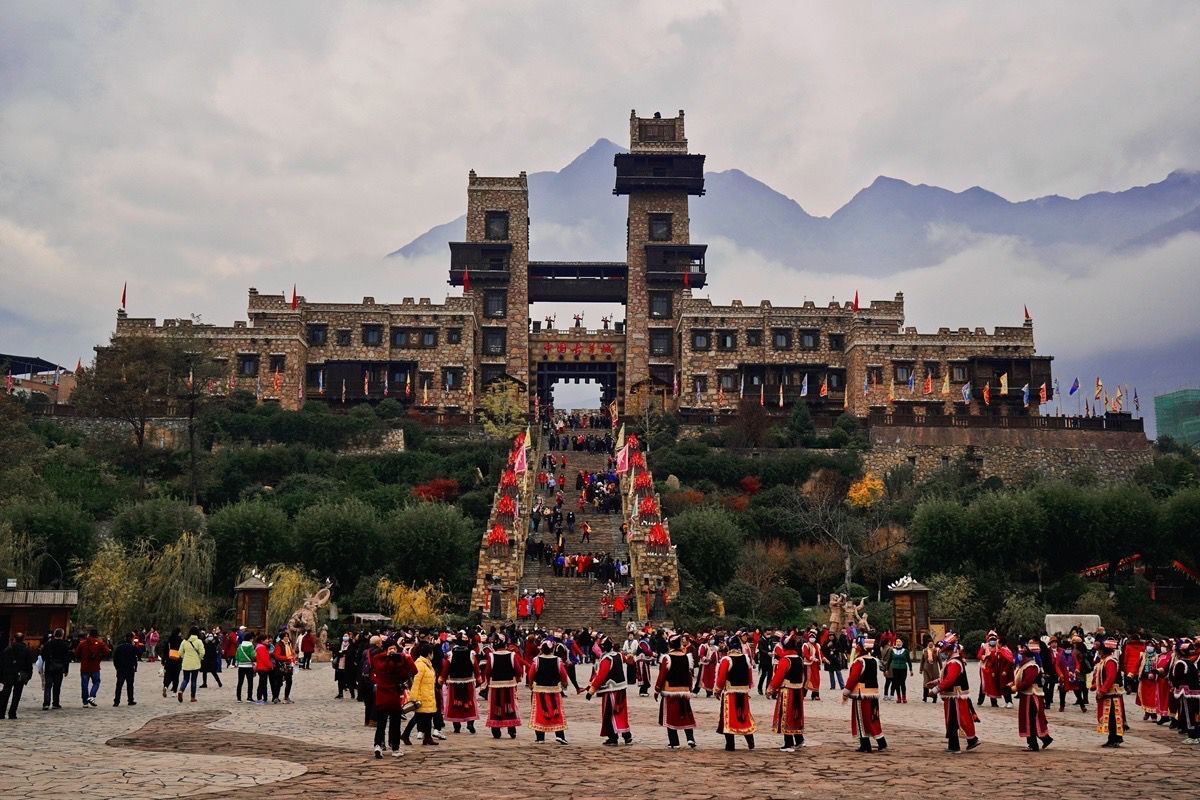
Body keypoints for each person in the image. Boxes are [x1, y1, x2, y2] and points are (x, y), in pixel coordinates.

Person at [931, 633, 979, 753]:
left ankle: (955, 746)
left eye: (945, 651)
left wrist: (936, 689)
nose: (944, 653)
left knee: (953, 719)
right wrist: (936, 682)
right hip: (955, 695)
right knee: (961, 718)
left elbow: (950, 680)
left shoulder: (954, 663)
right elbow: (947, 677)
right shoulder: (954, 661)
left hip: (954, 696)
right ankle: (970, 739)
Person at [371, 636, 417, 758]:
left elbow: (412, 670)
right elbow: (411, 670)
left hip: (388, 695)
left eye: (394, 648)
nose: (393, 651)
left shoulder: (392, 659)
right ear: (385, 649)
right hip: (389, 695)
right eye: (391, 648)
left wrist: (401, 658)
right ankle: (387, 747)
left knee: (390, 723)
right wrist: (398, 659)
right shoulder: (385, 659)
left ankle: (384, 746)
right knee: (386, 723)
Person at [585, 634, 633, 746]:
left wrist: (591, 691)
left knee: (609, 713)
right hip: (621, 688)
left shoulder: (607, 659)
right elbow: (628, 660)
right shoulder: (619, 655)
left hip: (611, 690)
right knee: (621, 712)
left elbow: (601, 676)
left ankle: (613, 737)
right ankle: (627, 735)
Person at [842, 637, 887, 753]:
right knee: (873, 718)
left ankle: (865, 744)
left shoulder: (859, 661)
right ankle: (881, 741)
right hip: (873, 692)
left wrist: (846, 692)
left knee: (861, 719)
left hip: (861, 694)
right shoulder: (874, 660)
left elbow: (853, 678)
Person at [653, 634, 697, 749]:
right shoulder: (686, 657)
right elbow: (689, 675)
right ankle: (690, 738)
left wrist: (657, 689)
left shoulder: (666, 658)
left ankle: (674, 742)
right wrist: (690, 688)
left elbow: (662, 675)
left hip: (670, 691)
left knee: (671, 716)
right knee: (686, 714)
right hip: (684, 690)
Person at [715, 635, 756, 751]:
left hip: (730, 693)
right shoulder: (746, 658)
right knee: (744, 716)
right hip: (743, 693)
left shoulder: (726, 660)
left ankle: (730, 745)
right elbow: (749, 676)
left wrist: (717, 690)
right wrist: (747, 687)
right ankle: (750, 741)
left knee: (729, 718)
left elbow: (721, 678)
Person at [766, 633, 806, 751]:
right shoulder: (799, 658)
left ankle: (788, 743)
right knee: (796, 715)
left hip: (787, 690)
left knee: (786, 715)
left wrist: (771, 689)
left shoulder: (785, 660)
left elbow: (778, 677)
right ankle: (799, 739)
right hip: (798, 690)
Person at [1013, 639, 1053, 751]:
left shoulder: (1031, 666)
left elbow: (1028, 681)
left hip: (1031, 695)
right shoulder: (1027, 665)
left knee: (1030, 719)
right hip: (1028, 695)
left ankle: (1033, 744)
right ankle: (1045, 738)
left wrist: (1017, 687)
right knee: (1033, 718)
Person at [528, 640, 570, 744]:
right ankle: (560, 735)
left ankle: (540, 737)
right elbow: (563, 674)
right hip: (554, 690)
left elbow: (531, 674)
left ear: (541, 649)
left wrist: (530, 684)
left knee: (540, 712)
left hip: (539, 690)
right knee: (556, 712)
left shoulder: (536, 661)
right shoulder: (557, 661)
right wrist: (565, 683)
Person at [483, 634, 523, 739]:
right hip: (509, 684)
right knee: (510, 705)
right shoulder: (512, 655)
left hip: (495, 685)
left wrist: (487, 682)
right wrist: (518, 678)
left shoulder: (492, 656)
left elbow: (487, 672)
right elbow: (518, 670)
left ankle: (496, 729)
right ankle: (511, 729)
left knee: (496, 705)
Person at [439, 632, 479, 733]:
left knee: (454, 704)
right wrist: (479, 678)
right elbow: (476, 668)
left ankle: (457, 726)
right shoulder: (471, 653)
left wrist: (441, 679)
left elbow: (446, 668)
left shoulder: (450, 654)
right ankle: (470, 723)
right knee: (469, 703)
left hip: (454, 683)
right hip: (468, 681)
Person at [1093, 637, 1128, 747]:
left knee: (1113, 717)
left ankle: (1116, 738)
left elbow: (1110, 677)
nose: (1098, 652)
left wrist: (1103, 690)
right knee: (1110, 716)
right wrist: (1095, 686)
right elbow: (1102, 677)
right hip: (1107, 693)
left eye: (1100, 650)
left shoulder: (1110, 661)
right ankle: (1112, 738)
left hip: (1112, 693)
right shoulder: (1104, 661)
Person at [0, 632, 34, 719]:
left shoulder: (8, 649)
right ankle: (12, 713)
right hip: (20, 675)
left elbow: (2, 664)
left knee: (5, 695)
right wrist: (29, 675)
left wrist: (1, 677)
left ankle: (1, 712)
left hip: (8, 675)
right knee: (17, 695)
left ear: (14, 639)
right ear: (23, 639)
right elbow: (29, 665)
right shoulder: (26, 650)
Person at [1172, 640, 1200, 743]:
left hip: (1186, 692)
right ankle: (1196, 734)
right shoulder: (1190, 663)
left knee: (1189, 713)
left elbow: (1177, 678)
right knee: (1195, 713)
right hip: (1195, 692)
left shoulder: (1181, 663)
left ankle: (1192, 735)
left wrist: (1175, 686)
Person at [977, 631, 1014, 708]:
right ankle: (980, 701)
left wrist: (1004, 670)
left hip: (997, 669)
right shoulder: (984, 646)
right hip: (985, 668)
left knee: (995, 685)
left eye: (994, 639)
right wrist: (986, 656)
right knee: (984, 685)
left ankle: (996, 702)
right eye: (991, 638)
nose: (993, 640)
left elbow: (1007, 660)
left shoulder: (1001, 648)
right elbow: (979, 655)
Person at [75, 628, 109, 708]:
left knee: (84, 684)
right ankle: (92, 696)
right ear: (97, 635)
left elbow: (77, 653)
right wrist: (100, 657)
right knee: (96, 682)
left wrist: (82, 659)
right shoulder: (100, 643)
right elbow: (107, 652)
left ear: (89, 634)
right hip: (95, 667)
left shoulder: (82, 643)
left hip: (84, 667)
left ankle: (85, 702)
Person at [40, 628, 70, 710]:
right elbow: (66, 658)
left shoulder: (48, 643)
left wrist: (47, 661)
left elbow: (42, 654)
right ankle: (55, 703)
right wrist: (66, 669)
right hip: (59, 667)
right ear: (62, 635)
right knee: (57, 686)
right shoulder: (65, 645)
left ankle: (46, 703)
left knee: (48, 685)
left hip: (49, 666)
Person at [177, 626, 204, 703]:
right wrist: (199, 658)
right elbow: (202, 652)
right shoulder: (199, 641)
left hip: (186, 663)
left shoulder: (184, 641)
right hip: (195, 663)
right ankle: (192, 697)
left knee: (185, 679)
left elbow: (180, 652)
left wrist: (184, 657)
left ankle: (181, 690)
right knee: (194, 680)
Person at [112, 632, 138, 707]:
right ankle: (130, 700)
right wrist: (135, 667)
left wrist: (117, 667)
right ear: (132, 639)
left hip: (121, 668)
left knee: (119, 685)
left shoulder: (119, 647)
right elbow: (136, 657)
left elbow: (115, 658)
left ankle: (116, 701)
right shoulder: (132, 647)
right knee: (130, 685)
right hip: (130, 668)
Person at [271, 631, 296, 704]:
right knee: (279, 682)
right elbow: (277, 656)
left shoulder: (289, 644)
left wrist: (293, 658)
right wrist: (287, 657)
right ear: (282, 637)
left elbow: (291, 653)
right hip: (281, 665)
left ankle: (286, 697)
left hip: (288, 665)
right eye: (285, 636)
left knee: (289, 681)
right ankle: (276, 697)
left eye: (287, 636)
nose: (286, 637)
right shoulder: (279, 645)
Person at [161, 627, 183, 698]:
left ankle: (166, 687)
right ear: (178, 632)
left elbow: (165, 651)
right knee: (176, 676)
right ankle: (174, 692)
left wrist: (163, 660)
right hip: (177, 660)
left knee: (168, 675)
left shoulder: (169, 640)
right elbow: (183, 651)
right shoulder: (180, 640)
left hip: (169, 660)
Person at [889, 637, 911, 703]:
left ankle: (904, 697)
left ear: (902, 643)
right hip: (895, 668)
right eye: (897, 641)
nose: (898, 643)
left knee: (902, 683)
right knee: (896, 683)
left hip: (903, 668)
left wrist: (911, 669)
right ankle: (899, 697)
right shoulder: (892, 651)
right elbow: (889, 660)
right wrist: (886, 669)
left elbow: (909, 661)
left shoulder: (905, 651)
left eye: (899, 641)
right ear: (895, 643)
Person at [919, 637, 940, 702]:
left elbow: (939, 660)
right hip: (926, 669)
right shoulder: (924, 650)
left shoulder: (936, 650)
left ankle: (934, 698)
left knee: (934, 683)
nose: (930, 644)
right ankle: (925, 697)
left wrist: (941, 668)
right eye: (929, 643)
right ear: (928, 644)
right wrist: (921, 669)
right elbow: (922, 660)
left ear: (933, 643)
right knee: (925, 683)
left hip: (934, 669)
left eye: (932, 643)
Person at [254, 634, 273, 704]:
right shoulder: (261, 648)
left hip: (263, 668)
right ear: (262, 640)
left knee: (264, 683)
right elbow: (265, 659)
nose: (268, 640)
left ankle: (264, 698)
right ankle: (259, 698)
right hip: (263, 668)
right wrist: (270, 665)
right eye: (266, 639)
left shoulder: (260, 647)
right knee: (262, 684)